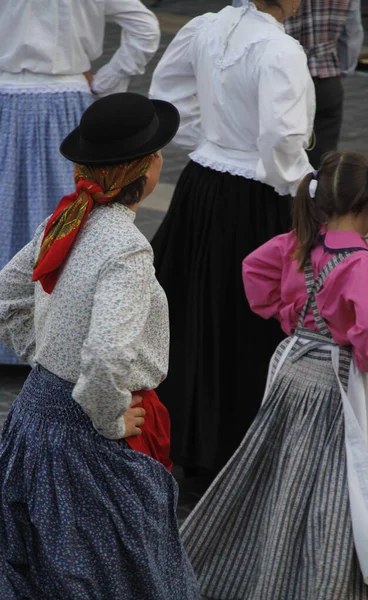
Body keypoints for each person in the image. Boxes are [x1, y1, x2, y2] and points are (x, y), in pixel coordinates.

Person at [0, 93, 200, 600]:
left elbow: (2, 300)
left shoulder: (68, 220)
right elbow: (106, 357)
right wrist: (111, 417)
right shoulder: (128, 248)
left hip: (36, 414)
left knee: (44, 563)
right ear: (148, 166)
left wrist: (49, 357)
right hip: (85, 436)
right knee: (111, 571)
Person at [181, 151, 368, 599]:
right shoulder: (360, 265)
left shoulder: (298, 242)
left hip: (291, 370)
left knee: (277, 466)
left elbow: (255, 269)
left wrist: (291, 317)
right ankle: (319, 579)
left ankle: (250, 559)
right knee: (333, 479)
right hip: (335, 384)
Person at [148, 0, 315, 477]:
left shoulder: (207, 26)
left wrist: (214, 140)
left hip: (203, 183)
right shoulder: (279, 49)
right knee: (244, 321)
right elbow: (282, 140)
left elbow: (168, 97)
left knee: (195, 309)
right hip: (256, 196)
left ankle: (185, 439)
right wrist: (306, 189)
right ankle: (233, 452)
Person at [0, 0, 160, 365]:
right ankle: (60, 330)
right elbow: (145, 29)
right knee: (67, 211)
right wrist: (108, 80)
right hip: (63, 97)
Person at [286, 0, 364, 168]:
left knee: (282, 154)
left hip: (283, 75)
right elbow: (352, 33)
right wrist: (342, 69)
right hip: (326, 75)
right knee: (323, 159)